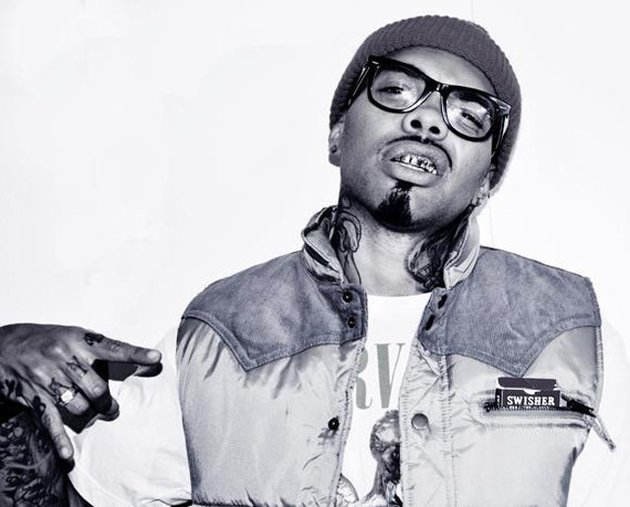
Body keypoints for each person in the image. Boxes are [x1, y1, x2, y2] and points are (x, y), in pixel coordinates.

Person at [0, 14, 621, 506]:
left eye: (468, 115)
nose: (428, 120)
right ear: (336, 134)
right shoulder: (222, 332)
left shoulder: (570, 335)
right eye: (397, 90)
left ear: (486, 181)